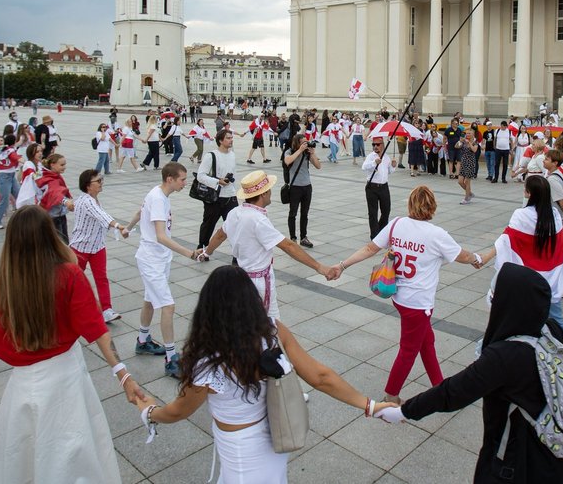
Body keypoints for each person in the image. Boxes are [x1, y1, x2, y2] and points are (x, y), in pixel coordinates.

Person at [375, 263, 563, 482]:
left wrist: (404, 411)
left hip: (514, 464)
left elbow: (454, 392)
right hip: (559, 462)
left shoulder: (505, 356)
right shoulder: (549, 329)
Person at [135, 267, 393, 482]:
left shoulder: (208, 360)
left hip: (240, 451)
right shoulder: (271, 330)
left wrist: (149, 412)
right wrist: (369, 405)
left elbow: (179, 410)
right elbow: (320, 376)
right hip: (275, 435)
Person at [0, 206, 142, 483]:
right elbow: (97, 330)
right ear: (50, 235)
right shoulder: (68, 275)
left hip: (24, 382)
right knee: (71, 447)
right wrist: (122, 374)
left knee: (18, 451)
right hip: (66, 376)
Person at [330, 185, 483, 404]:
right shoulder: (436, 234)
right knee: (409, 350)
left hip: (399, 297)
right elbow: (462, 255)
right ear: (432, 207)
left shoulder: (397, 224)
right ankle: (391, 396)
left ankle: (439, 387)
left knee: (426, 341)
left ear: (410, 204)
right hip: (418, 303)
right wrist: (477, 259)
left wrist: (343, 265)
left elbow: (370, 248)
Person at [203, 170, 329, 317]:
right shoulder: (258, 220)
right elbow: (288, 246)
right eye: (268, 190)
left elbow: (219, 235)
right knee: (270, 323)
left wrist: (207, 252)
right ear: (263, 194)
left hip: (241, 276)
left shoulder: (235, 212)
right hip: (258, 280)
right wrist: (319, 267)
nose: (270, 192)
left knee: (248, 322)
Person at [477, 175, 563, 327]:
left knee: (509, 305)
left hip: (528, 276)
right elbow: (559, 245)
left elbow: (506, 239)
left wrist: (486, 257)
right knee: (556, 318)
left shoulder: (521, 215)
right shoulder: (554, 215)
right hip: (552, 275)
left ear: (529, 193)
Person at [131, 162, 196, 377]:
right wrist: (189, 253)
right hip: (152, 260)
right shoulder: (158, 198)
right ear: (170, 179)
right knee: (167, 306)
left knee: (151, 299)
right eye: (182, 179)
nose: (185, 183)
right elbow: (161, 236)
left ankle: (143, 340)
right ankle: (171, 358)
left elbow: (141, 211)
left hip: (159, 258)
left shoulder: (158, 195)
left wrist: (127, 227)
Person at [69, 170, 128, 323]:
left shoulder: (91, 200)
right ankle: (66, 306)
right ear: (88, 186)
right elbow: (102, 216)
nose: (101, 183)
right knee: (74, 279)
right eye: (98, 181)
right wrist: (118, 226)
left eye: (101, 180)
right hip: (80, 247)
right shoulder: (87, 201)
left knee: (101, 278)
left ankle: (107, 310)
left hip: (97, 246)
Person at [194, 128, 239, 250]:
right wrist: (218, 181)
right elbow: (200, 176)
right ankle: (202, 248)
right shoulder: (211, 156)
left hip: (230, 197)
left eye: (231, 138)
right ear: (220, 140)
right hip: (215, 197)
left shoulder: (232, 155)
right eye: (228, 138)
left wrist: (235, 190)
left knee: (235, 226)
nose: (231, 140)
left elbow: (234, 174)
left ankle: (236, 254)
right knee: (208, 225)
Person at [282, 133, 320, 246]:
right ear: (297, 143)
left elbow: (318, 166)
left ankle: (304, 237)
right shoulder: (289, 151)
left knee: (305, 213)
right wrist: (299, 150)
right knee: (292, 213)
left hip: (307, 186)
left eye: (306, 141)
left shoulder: (307, 153)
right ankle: (293, 238)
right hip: (295, 187)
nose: (306, 144)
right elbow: (287, 161)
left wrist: (312, 153)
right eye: (303, 142)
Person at [363, 134, 397, 239]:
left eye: (377, 144)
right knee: (373, 212)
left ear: (382, 145)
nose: (375, 147)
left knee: (386, 210)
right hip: (372, 187)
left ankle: (381, 230)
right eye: (373, 144)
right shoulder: (371, 156)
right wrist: (374, 163)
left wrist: (393, 166)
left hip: (384, 187)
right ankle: (374, 235)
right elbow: (364, 167)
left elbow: (389, 171)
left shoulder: (386, 157)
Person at [35, 153, 74, 241]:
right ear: (52, 165)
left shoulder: (45, 174)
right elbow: (55, 193)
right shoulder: (50, 179)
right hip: (53, 216)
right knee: (60, 244)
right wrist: (66, 202)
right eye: (62, 165)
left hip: (54, 214)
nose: (65, 167)